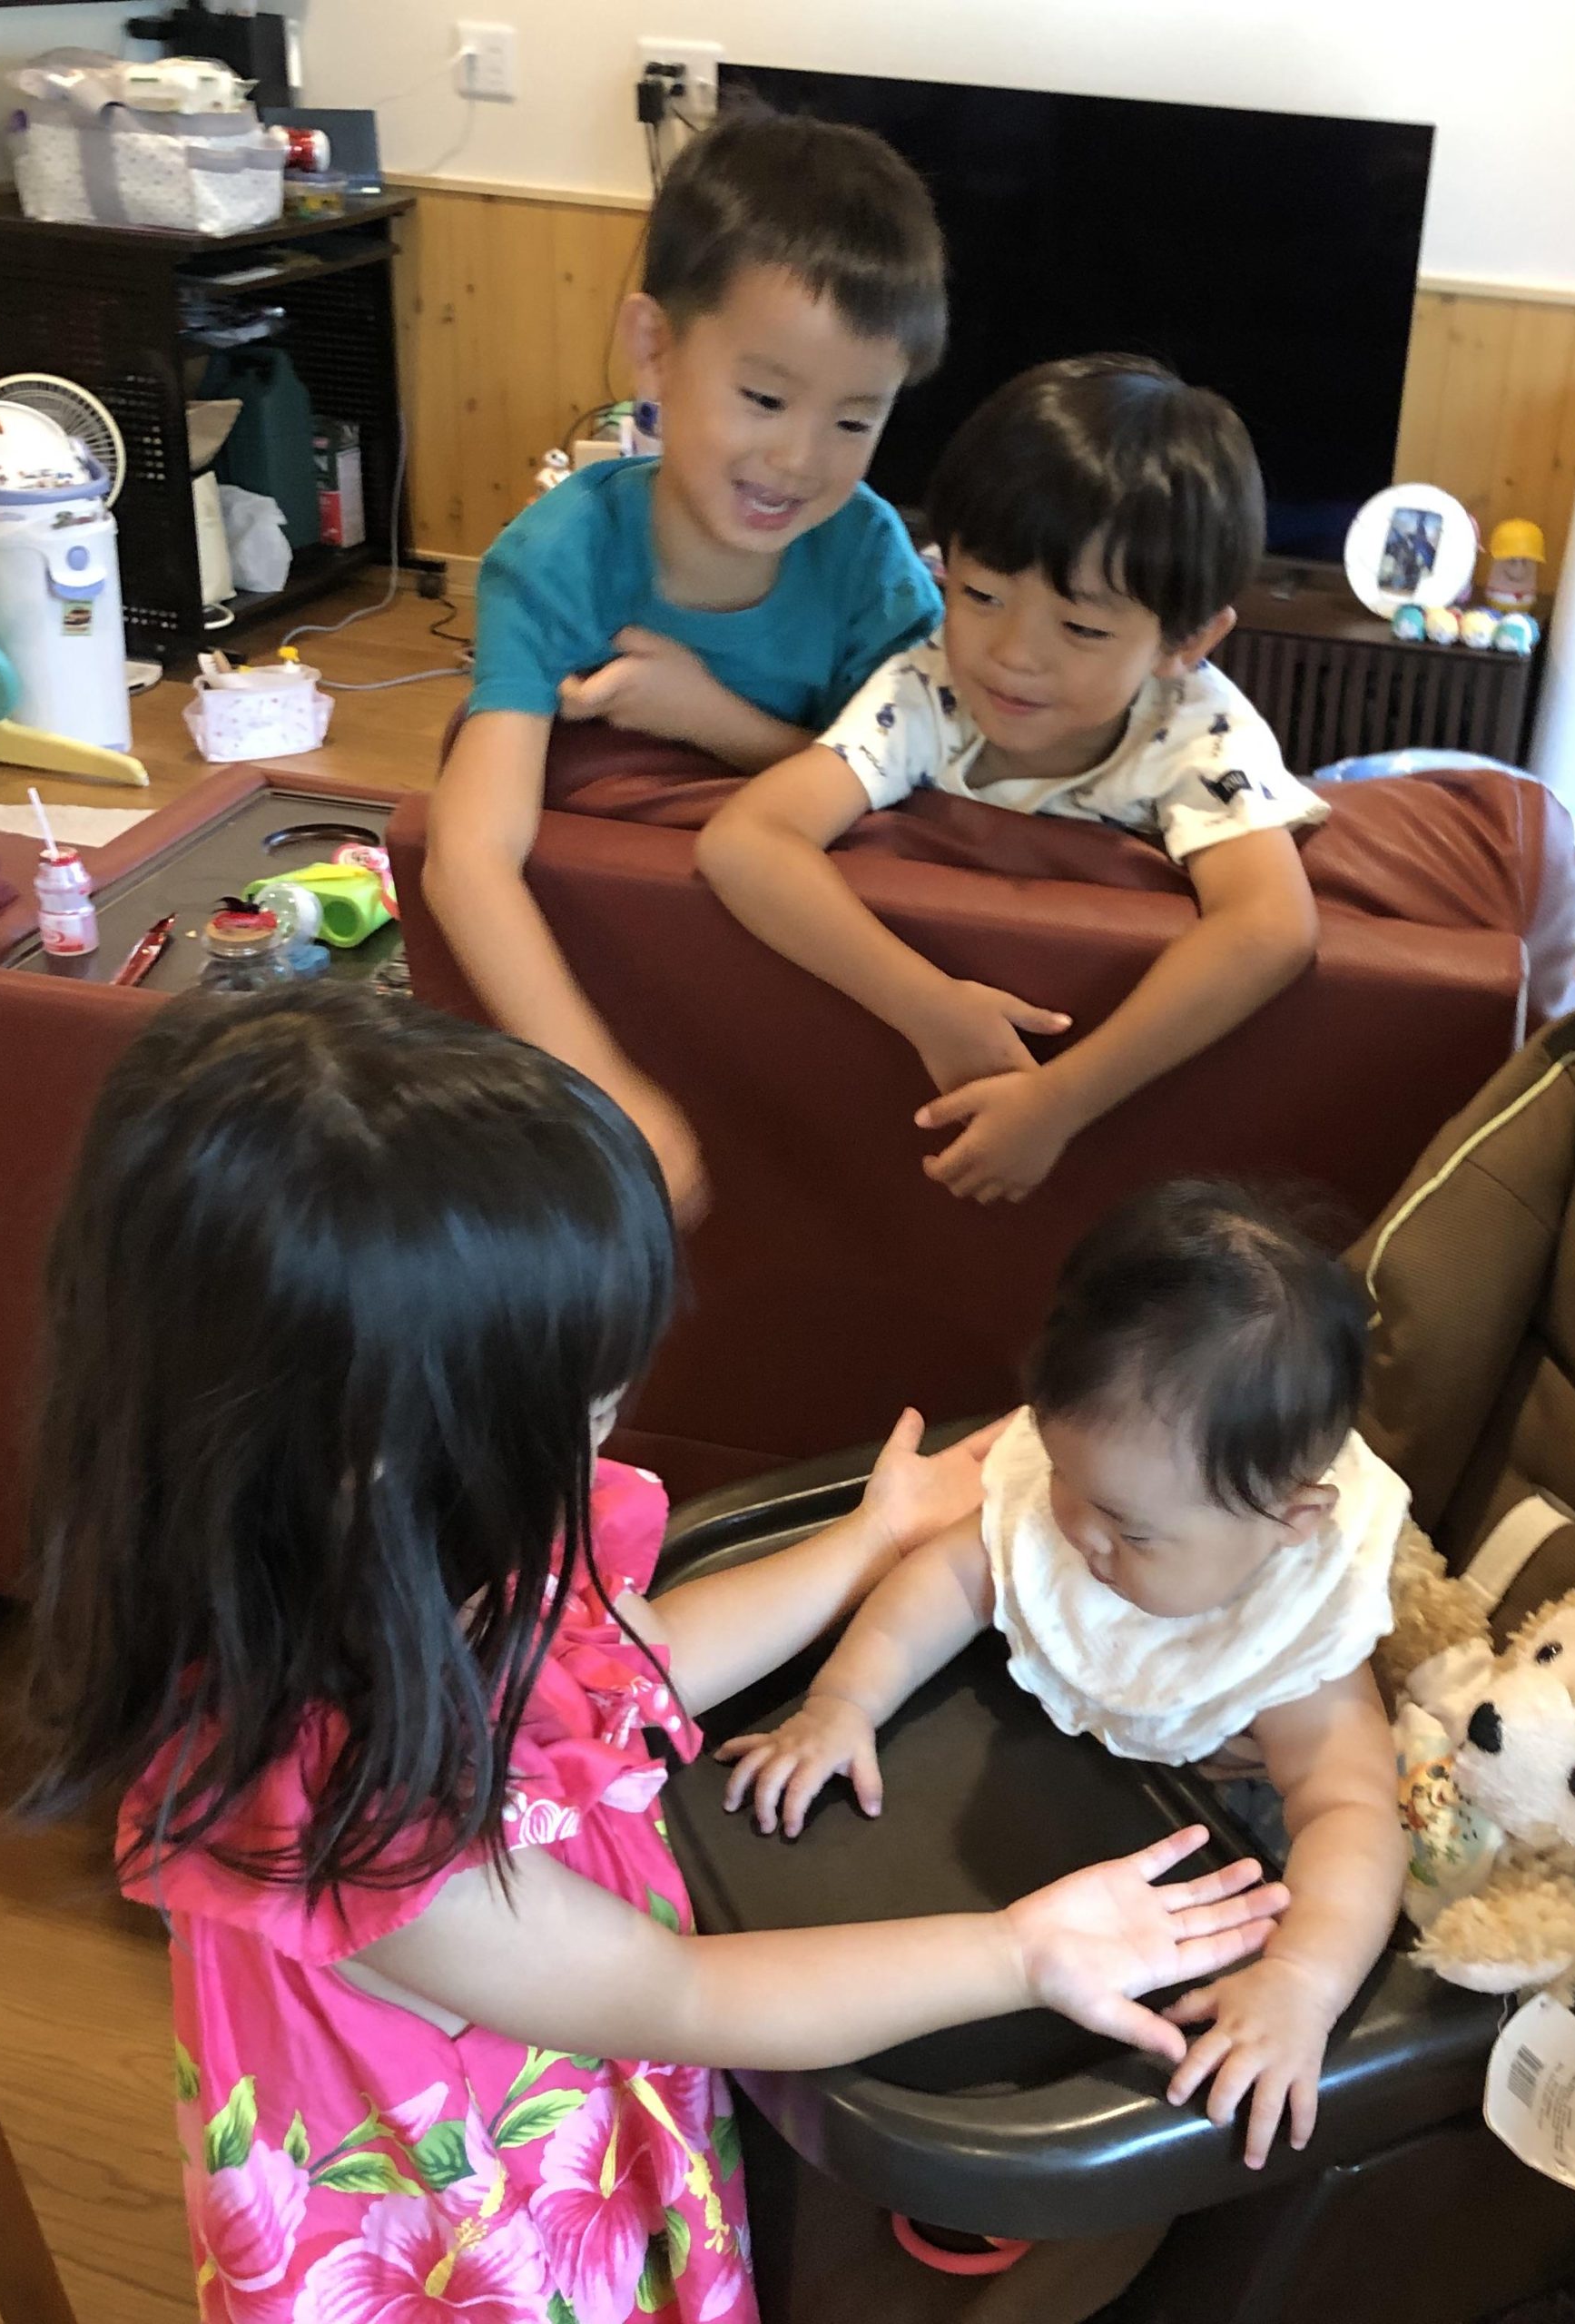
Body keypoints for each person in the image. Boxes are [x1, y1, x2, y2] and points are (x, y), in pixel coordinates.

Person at [19, 990, 1287, 2324]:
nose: (603, 1448)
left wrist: (866, 1544)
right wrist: (1018, 1952)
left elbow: (617, 1672)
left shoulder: (382, 1568)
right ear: (377, 1453)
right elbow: (673, 1992)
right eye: (582, 1414)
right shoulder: (351, 1812)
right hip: (477, 2233)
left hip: (560, 2060)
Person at [721, 1180, 1407, 2168]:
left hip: (1192, 1829)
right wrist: (841, 1702)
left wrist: (1301, 1980)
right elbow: (953, 1576)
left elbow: (1353, 1813)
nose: (1078, 1533)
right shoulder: (1100, 1484)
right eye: (1062, 1479)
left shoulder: (1295, 1633)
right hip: (1025, 1781)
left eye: (1130, 1530)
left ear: (1289, 1519)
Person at [424, 109, 950, 1222]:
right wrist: (601, 1087)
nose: (797, 459)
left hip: (822, 1055)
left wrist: (709, 719)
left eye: (855, 421)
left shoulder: (873, 564)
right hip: (627, 1015)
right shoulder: (560, 557)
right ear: (654, 346)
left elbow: (921, 793)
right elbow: (466, 852)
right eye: (764, 398)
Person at [695, 356, 1328, 1206]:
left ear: (1187, 643)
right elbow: (745, 841)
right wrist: (927, 1006)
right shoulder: (928, 687)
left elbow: (1271, 927)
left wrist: (1062, 1100)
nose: (1012, 655)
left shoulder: (1198, 734)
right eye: (982, 595)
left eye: (1080, 627)